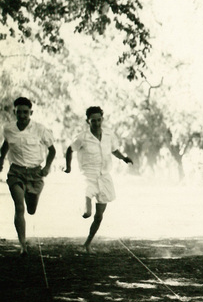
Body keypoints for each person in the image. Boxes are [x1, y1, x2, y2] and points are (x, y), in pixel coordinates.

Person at [65, 107, 133, 253]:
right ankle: (82, 205)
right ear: (88, 121)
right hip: (88, 176)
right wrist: (68, 167)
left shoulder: (108, 135)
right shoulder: (82, 137)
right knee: (87, 213)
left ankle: (87, 243)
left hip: (105, 177)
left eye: (99, 120)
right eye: (93, 121)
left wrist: (124, 158)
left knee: (99, 215)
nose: (96, 123)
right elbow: (69, 150)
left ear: (102, 119)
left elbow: (114, 151)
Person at [0, 97, 56, 255]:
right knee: (19, 206)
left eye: (26, 112)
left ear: (31, 113)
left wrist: (47, 167)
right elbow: (6, 145)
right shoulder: (9, 129)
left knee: (31, 209)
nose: (22, 115)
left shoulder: (40, 129)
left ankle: (33, 197)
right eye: (19, 112)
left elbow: (52, 150)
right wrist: (1, 160)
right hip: (16, 172)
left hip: (35, 173)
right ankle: (22, 244)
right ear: (14, 112)